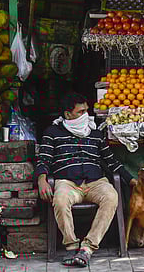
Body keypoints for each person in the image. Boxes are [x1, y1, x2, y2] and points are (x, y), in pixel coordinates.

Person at [35, 92, 137, 267]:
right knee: (59, 200)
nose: (86, 115)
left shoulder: (96, 134)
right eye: (80, 112)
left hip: (95, 182)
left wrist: (132, 181)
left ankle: (87, 248)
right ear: (68, 114)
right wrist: (41, 180)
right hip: (67, 183)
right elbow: (43, 159)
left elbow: (112, 162)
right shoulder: (52, 133)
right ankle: (72, 247)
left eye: (86, 111)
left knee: (111, 196)